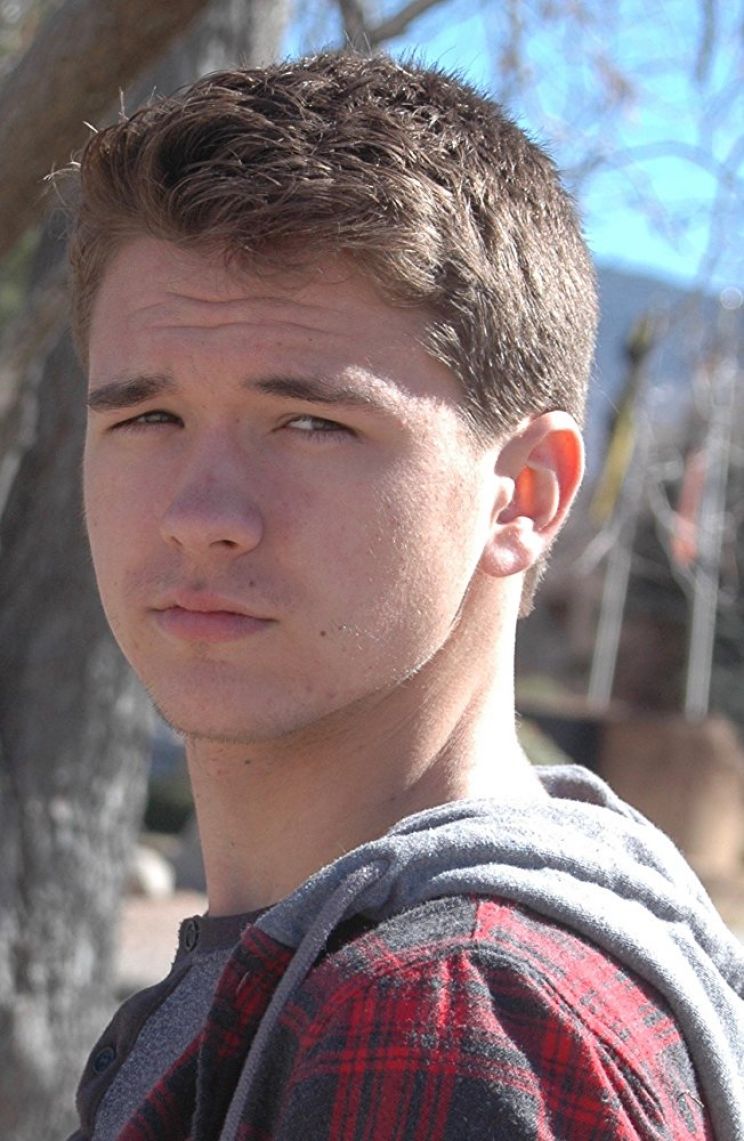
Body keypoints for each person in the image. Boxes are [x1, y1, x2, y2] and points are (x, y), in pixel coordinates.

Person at [65, 52, 742, 1141]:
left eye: (311, 423)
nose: (201, 512)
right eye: (148, 417)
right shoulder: (350, 960)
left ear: (524, 494)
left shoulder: (441, 1013)